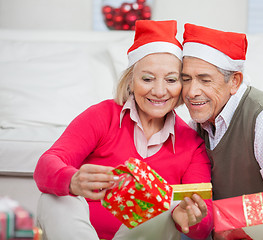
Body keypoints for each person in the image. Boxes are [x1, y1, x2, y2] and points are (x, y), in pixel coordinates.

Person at [33, 20, 213, 240]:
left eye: (171, 80)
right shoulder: (102, 116)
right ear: (131, 81)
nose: (159, 91)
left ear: (181, 86)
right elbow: (45, 166)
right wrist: (72, 180)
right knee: (53, 197)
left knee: (165, 205)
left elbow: (204, 221)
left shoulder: (192, 144)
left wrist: (188, 218)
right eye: (147, 79)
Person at [180, 23, 263, 239]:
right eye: (185, 79)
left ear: (234, 81)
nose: (191, 92)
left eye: (205, 80)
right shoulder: (196, 125)